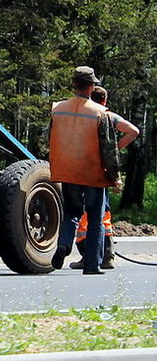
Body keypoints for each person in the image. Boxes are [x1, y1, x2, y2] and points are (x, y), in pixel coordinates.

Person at [49, 65, 116, 274]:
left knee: (71, 211)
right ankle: (92, 265)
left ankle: (64, 244)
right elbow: (108, 147)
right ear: (91, 87)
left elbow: (50, 138)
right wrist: (115, 177)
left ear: (74, 85)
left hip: (67, 170)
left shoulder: (58, 108)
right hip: (92, 172)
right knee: (95, 216)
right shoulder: (99, 112)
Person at [68, 84, 139, 270]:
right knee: (101, 214)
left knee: (91, 216)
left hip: (84, 172)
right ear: (105, 100)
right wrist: (116, 149)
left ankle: (96, 255)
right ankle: (103, 255)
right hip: (102, 172)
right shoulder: (107, 116)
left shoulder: (95, 115)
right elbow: (134, 131)